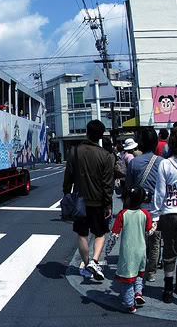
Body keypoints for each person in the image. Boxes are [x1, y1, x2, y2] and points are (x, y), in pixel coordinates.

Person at [63, 119, 115, 280]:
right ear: (100, 136)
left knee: (82, 234)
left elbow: (68, 177)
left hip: (79, 201)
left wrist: (66, 194)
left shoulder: (75, 151)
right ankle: (94, 260)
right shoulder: (106, 156)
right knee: (100, 233)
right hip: (99, 201)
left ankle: (86, 266)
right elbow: (108, 184)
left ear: (87, 132)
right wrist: (108, 204)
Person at [105, 186, 153, 313]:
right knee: (139, 274)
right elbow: (149, 231)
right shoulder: (145, 214)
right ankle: (138, 293)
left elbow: (114, 235)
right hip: (141, 250)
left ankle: (129, 304)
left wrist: (108, 249)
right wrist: (155, 225)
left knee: (127, 279)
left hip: (128, 252)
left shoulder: (123, 214)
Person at [125, 128, 163, 282]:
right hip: (156, 209)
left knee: (138, 241)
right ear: (155, 143)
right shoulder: (162, 162)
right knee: (155, 242)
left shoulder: (134, 163)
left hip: (138, 208)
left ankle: (138, 270)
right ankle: (151, 272)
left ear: (139, 143)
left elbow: (128, 186)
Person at [153, 126, 177, 303]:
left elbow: (160, 193)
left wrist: (156, 214)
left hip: (169, 213)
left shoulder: (165, 164)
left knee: (169, 251)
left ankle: (168, 289)